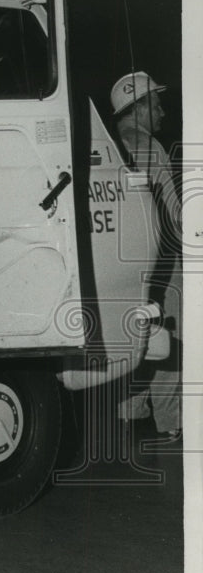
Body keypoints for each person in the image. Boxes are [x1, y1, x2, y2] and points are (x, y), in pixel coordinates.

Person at [110, 71, 182, 444]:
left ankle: (130, 412)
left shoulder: (108, 145)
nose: (162, 111)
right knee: (171, 333)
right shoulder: (150, 146)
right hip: (163, 261)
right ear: (137, 108)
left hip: (123, 261)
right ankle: (170, 420)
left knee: (135, 334)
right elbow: (173, 211)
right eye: (155, 103)